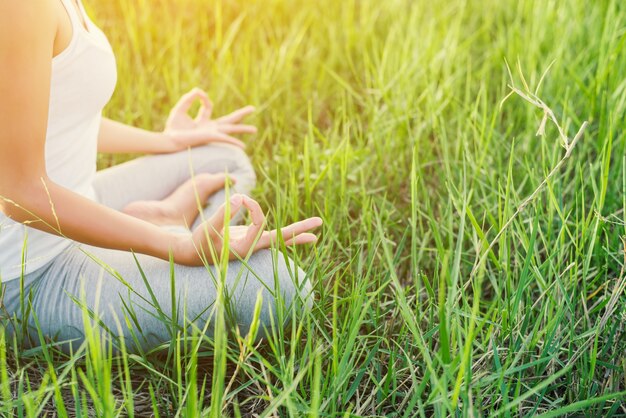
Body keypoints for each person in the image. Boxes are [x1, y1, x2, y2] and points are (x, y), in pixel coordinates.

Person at [0, 0, 322, 352]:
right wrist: (176, 247)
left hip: (79, 199)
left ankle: (158, 221)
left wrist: (166, 141)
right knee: (280, 285)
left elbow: (53, 114)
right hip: (31, 273)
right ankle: (165, 228)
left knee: (223, 161)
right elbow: (20, 195)